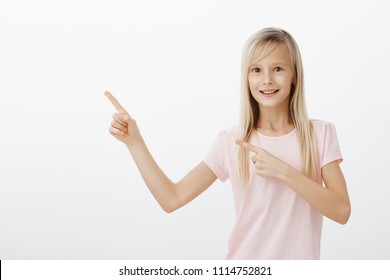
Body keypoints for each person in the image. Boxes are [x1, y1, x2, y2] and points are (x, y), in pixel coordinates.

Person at [105, 27, 351, 259]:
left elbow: (341, 211)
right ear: (246, 77)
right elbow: (172, 199)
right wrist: (134, 142)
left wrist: (284, 172)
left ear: (294, 75)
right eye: (256, 70)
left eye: (277, 69)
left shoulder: (319, 134)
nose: (267, 79)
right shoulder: (232, 142)